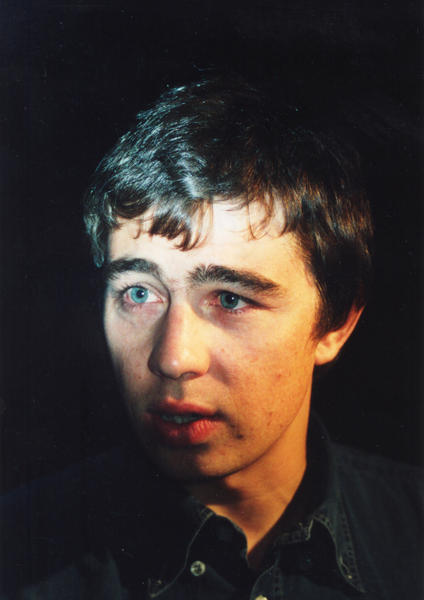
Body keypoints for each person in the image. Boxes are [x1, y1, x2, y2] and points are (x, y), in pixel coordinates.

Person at [1, 76, 422, 599]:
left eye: (230, 300)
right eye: (139, 294)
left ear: (335, 324)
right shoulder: (19, 554)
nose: (174, 359)